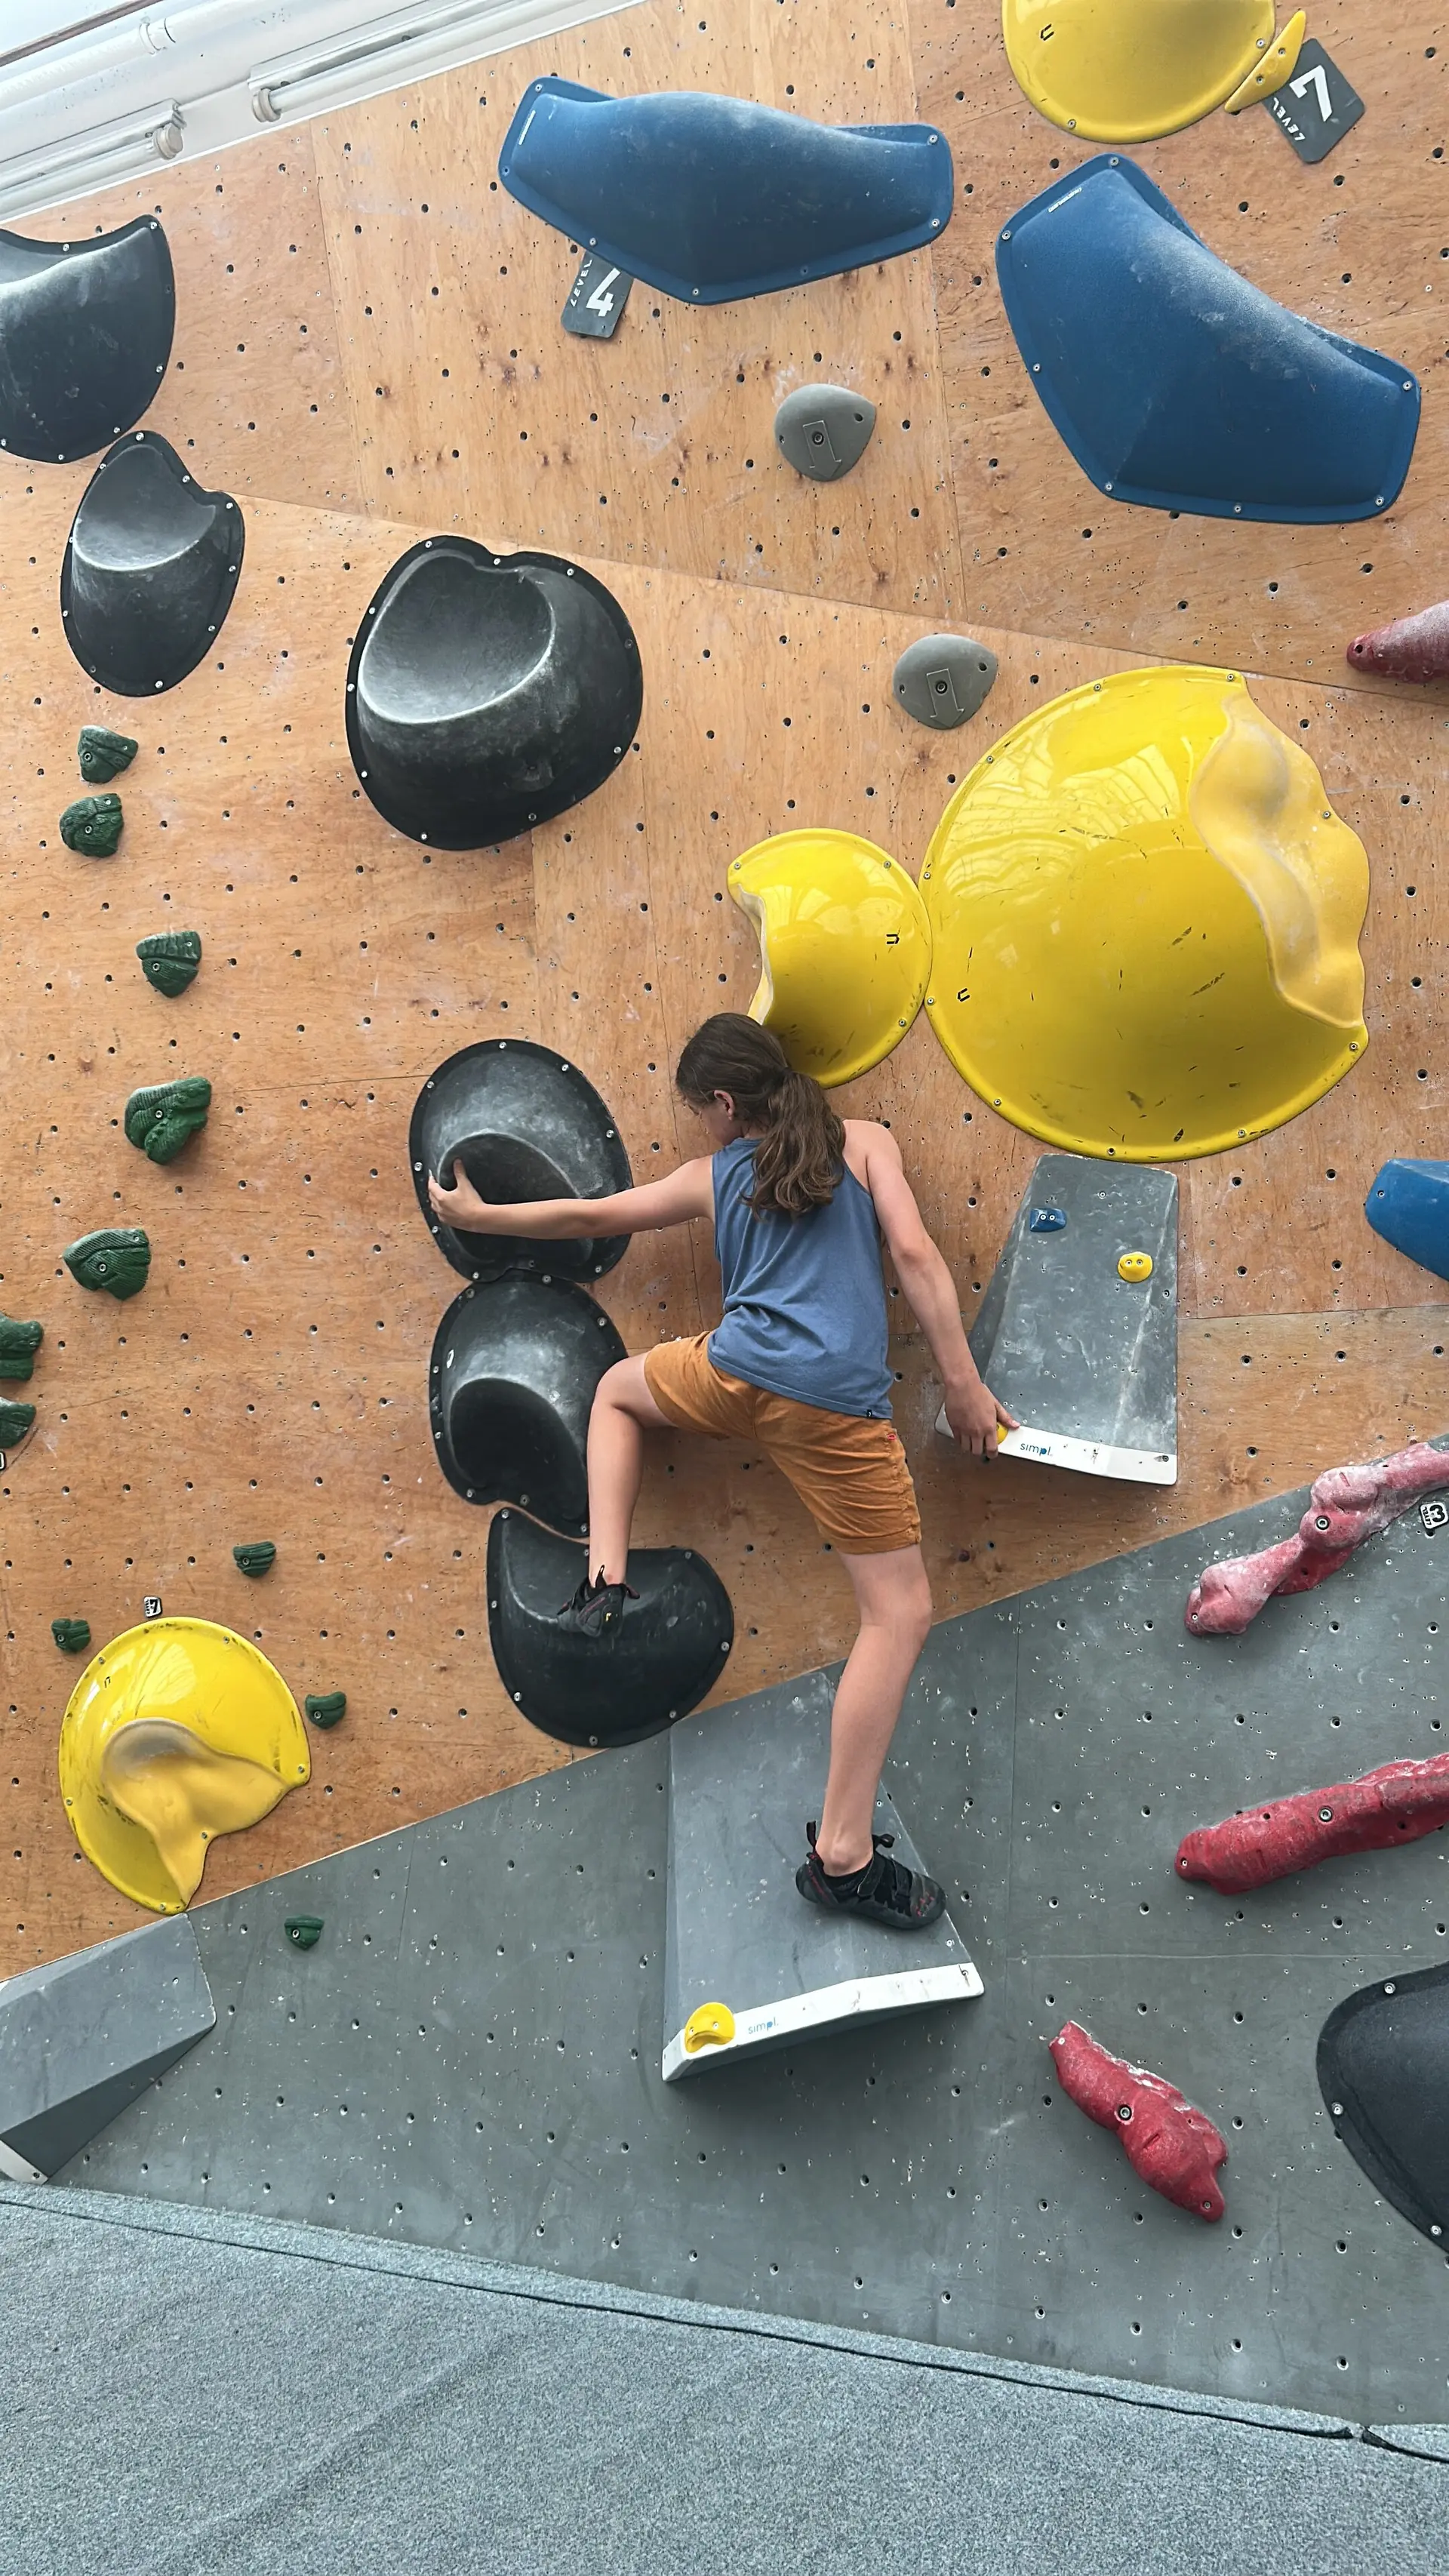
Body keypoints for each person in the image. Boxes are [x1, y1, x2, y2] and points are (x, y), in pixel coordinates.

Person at [429, 1013, 1015, 1931]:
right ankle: (844, 1856)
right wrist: (965, 1386)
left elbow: (592, 1215)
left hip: (734, 1374)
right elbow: (912, 1254)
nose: (700, 1123)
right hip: (830, 1403)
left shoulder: (714, 1174)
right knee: (897, 1615)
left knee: (617, 1395)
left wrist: (477, 1216)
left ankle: (604, 1578)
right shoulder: (864, 1143)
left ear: (727, 1103)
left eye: (698, 1107)